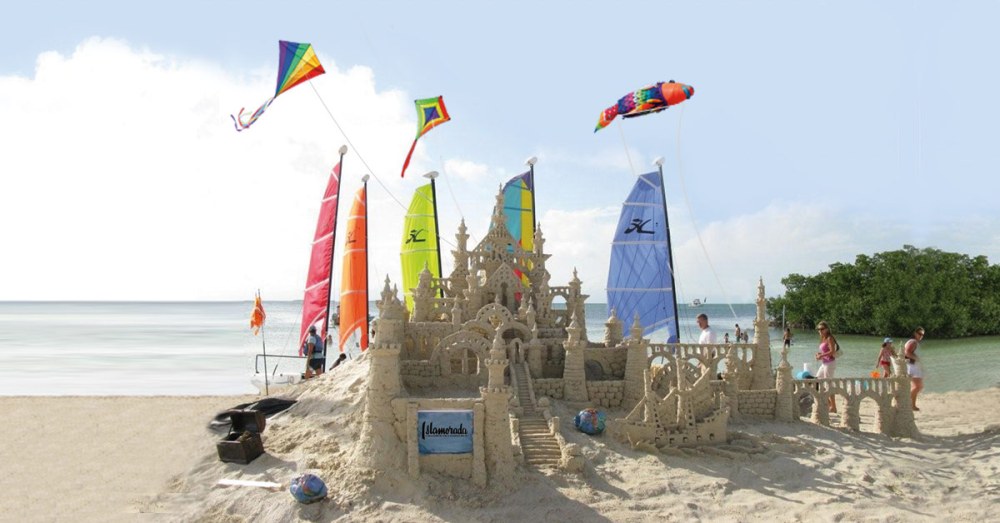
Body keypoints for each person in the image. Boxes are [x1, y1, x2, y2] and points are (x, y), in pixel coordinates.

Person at [814, 320, 839, 412]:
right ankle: (829, 404)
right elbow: (825, 351)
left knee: (828, 384)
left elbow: (832, 351)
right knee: (816, 381)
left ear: (827, 329)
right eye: (818, 329)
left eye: (822, 329)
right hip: (824, 363)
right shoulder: (823, 338)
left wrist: (821, 355)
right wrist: (819, 354)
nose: (820, 331)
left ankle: (833, 407)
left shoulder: (829, 338)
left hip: (830, 363)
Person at [904, 327, 925, 411]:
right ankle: (907, 403)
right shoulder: (913, 342)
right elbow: (907, 353)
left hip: (913, 366)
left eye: (922, 334)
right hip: (913, 367)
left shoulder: (914, 342)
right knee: (918, 386)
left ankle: (912, 405)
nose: (921, 336)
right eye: (920, 334)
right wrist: (917, 359)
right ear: (915, 333)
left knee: (916, 386)